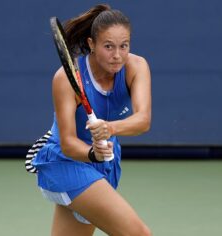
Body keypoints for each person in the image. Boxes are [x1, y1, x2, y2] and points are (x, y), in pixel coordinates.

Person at [26, 4, 152, 236]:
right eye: (108, 46)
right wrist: (92, 153)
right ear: (92, 44)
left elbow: (143, 121)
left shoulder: (137, 67)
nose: (117, 55)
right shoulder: (67, 78)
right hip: (66, 163)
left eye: (124, 46)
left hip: (104, 164)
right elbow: (67, 143)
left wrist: (109, 128)